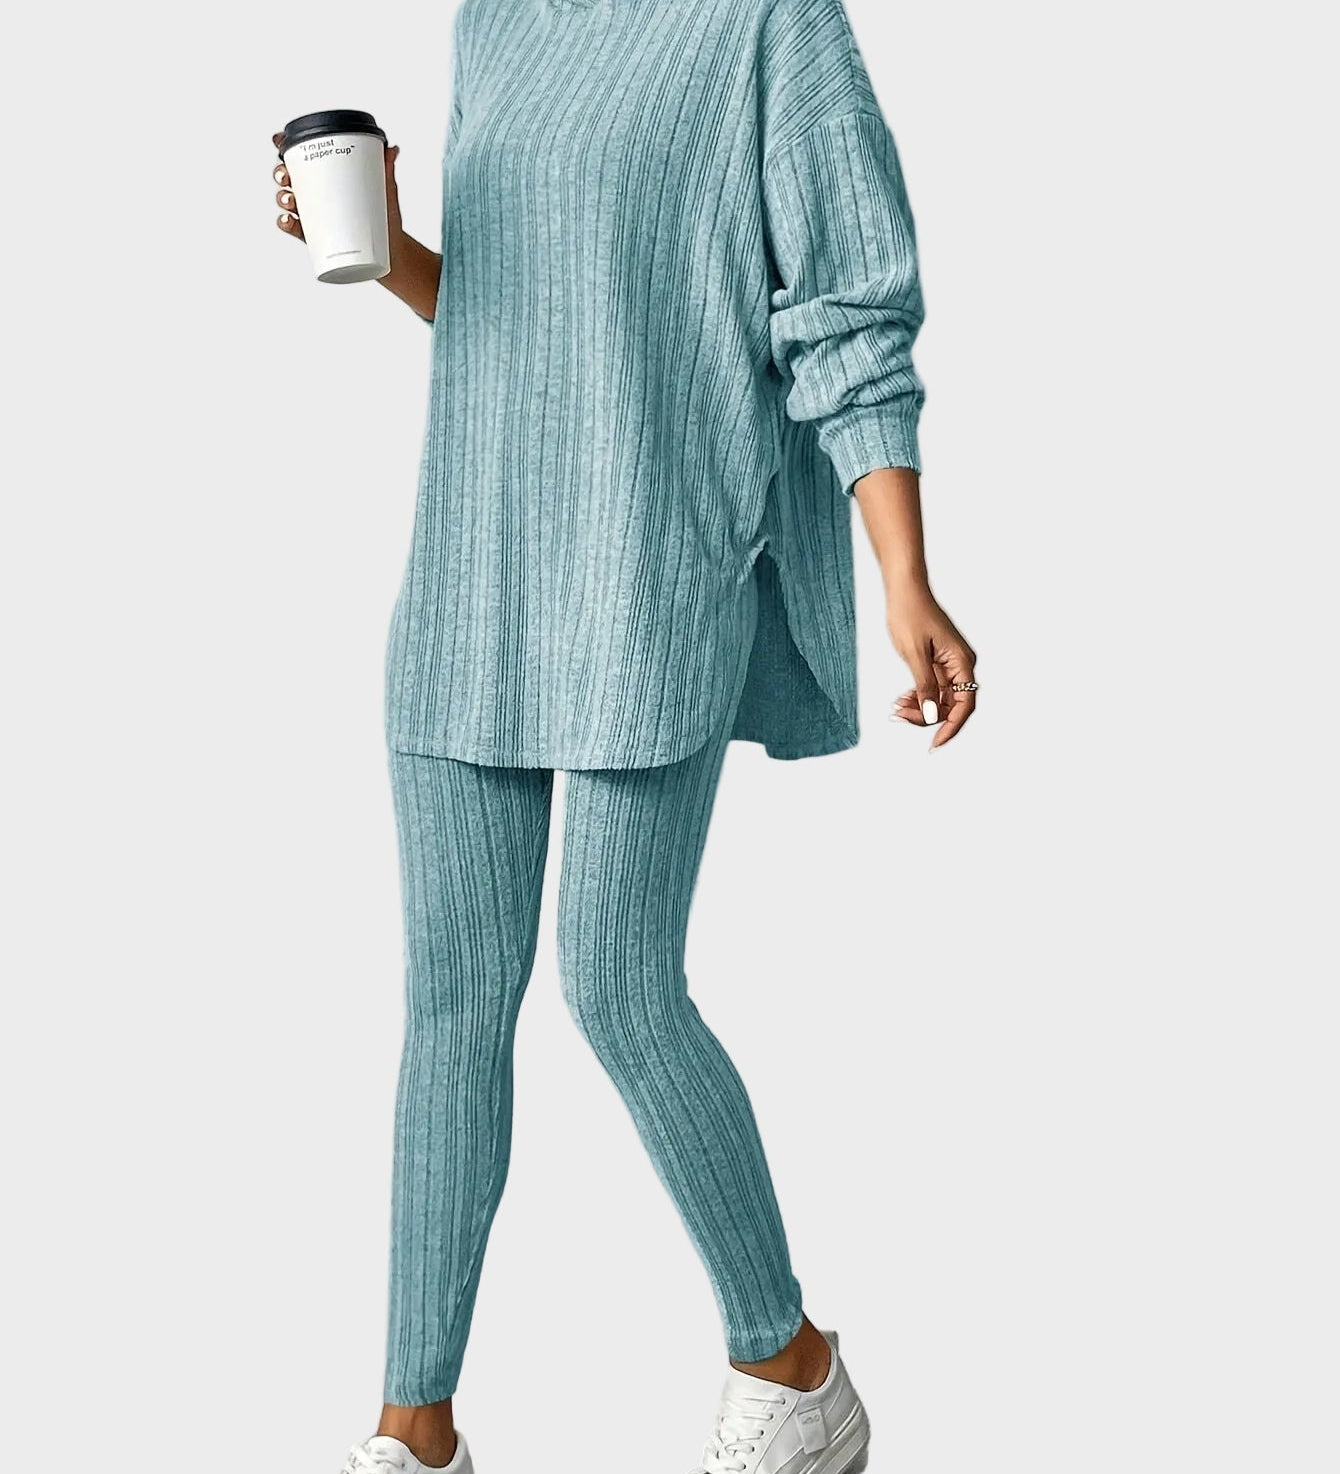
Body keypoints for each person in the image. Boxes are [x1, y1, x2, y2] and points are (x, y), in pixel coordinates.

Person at [274, 0, 977, 1468]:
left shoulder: (769, 25)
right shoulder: (496, 22)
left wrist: (904, 575)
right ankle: (415, 1428)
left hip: (651, 573)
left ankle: (792, 1363)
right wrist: (387, 249)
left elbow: (849, 309)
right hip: (473, 573)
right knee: (450, 1010)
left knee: (618, 986)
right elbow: (522, 312)